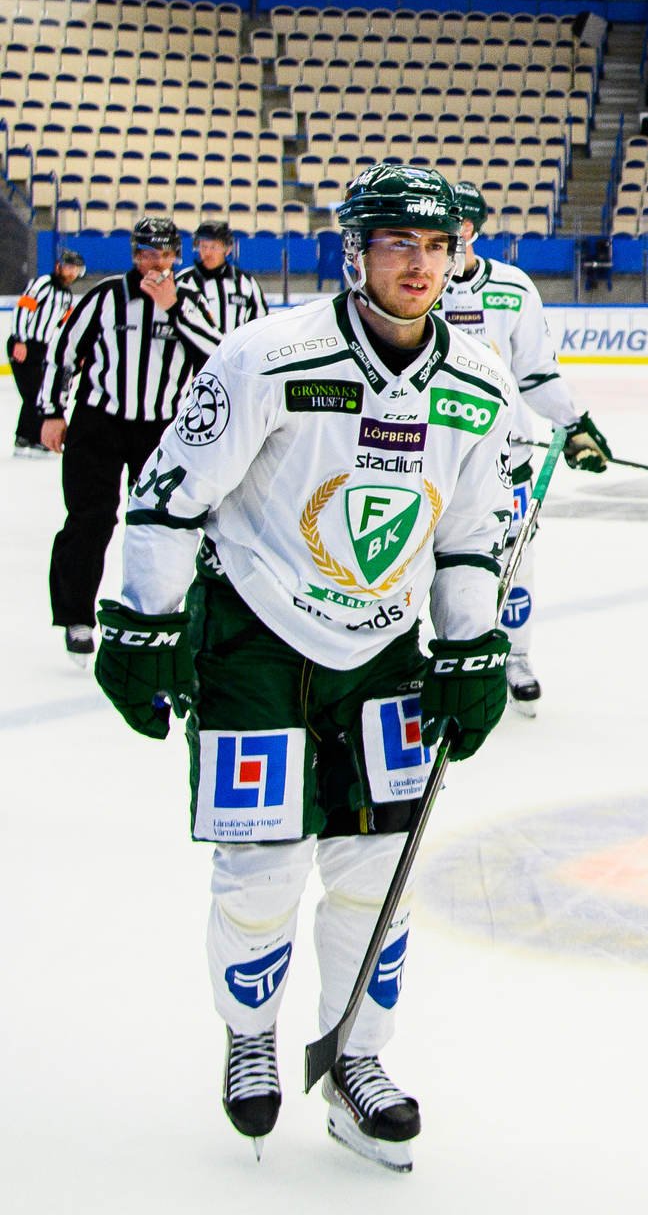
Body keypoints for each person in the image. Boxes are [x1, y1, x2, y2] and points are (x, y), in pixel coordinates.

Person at [96, 163, 517, 1171]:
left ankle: (355, 1057)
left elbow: (469, 531)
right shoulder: (269, 356)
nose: (420, 265)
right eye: (397, 244)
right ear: (356, 252)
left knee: (380, 872)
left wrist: (470, 646)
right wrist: (140, 624)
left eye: (436, 246)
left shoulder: (478, 385)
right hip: (253, 642)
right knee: (262, 865)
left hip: (380, 652)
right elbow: (167, 492)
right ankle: (251, 1033)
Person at [436, 180, 609, 713]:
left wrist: (574, 423)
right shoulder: (418, 285)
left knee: (513, 563)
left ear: (470, 228)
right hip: (428, 458)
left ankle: (515, 656)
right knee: (420, 561)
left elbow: (535, 371)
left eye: (455, 225)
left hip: (504, 462)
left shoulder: (512, 289)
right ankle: (434, 656)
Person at [38, 217, 200, 663]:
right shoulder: (107, 296)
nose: (155, 262)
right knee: (90, 519)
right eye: (148, 253)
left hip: (158, 428)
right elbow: (64, 351)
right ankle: (76, 617)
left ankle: (151, 616)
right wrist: (51, 411)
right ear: (135, 255)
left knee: (158, 525)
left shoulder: (187, 300)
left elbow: (217, 353)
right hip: (99, 424)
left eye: (164, 254)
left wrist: (174, 308)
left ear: (176, 257)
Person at [10, 247, 85, 458]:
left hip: (43, 350)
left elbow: (64, 327)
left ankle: (25, 438)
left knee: (38, 394)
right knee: (33, 392)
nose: (72, 273)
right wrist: (19, 339)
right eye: (69, 267)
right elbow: (22, 309)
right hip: (26, 345)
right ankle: (29, 437)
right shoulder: (42, 284)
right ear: (58, 266)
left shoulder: (67, 296)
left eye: (76, 270)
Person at [175, 220, 270, 364]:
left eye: (214, 247)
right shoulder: (183, 281)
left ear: (228, 249)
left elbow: (259, 326)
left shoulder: (246, 283)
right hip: (192, 370)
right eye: (203, 246)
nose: (207, 253)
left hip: (235, 367)